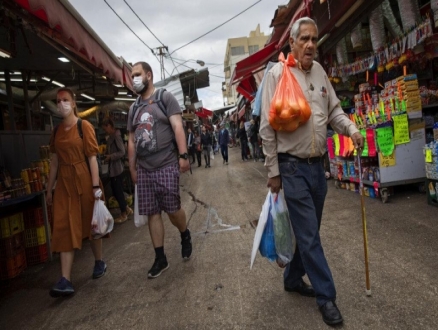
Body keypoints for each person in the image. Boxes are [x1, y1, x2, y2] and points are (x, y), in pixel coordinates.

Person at [259, 17, 364, 326]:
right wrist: (273, 171)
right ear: (291, 42)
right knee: (309, 236)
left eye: (314, 39)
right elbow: (267, 128)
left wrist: (352, 131)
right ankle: (326, 297)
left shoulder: (319, 72)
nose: (310, 45)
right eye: (303, 39)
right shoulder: (277, 74)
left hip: (318, 169)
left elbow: (334, 111)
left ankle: (292, 279)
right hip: (291, 168)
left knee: (309, 234)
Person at [127, 61, 192, 279]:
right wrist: (132, 167)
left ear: (148, 75)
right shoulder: (133, 108)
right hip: (144, 169)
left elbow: (177, 126)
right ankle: (160, 258)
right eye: (131, 75)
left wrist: (183, 156)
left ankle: (184, 234)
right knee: (153, 213)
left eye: (137, 74)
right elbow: (131, 139)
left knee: (173, 210)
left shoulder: (165, 98)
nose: (133, 78)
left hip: (166, 164)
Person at [46, 87, 107, 297]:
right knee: (63, 225)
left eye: (65, 100)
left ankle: (99, 261)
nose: (61, 103)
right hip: (64, 183)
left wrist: (95, 186)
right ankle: (65, 279)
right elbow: (54, 162)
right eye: (58, 100)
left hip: (84, 178)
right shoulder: (55, 131)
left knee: (91, 224)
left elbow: (92, 157)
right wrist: (48, 189)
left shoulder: (84, 126)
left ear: (73, 103)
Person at [101, 118, 133, 223]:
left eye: (106, 128)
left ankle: (123, 214)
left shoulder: (116, 137)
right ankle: (126, 209)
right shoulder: (111, 137)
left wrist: (111, 156)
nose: (105, 130)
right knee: (115, 190)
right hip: (112, 169)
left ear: (110, 125)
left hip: (117, 169)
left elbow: (122, 152)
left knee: (118, 191)